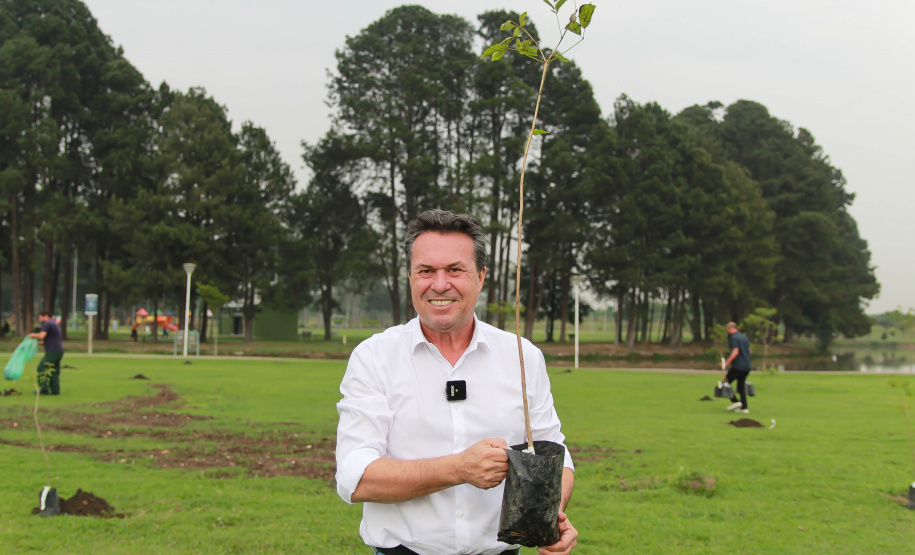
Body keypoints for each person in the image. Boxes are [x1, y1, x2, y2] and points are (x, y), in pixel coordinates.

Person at [335, 209, 577, 555]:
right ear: (410, 278)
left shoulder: (522, 357)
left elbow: (555, 454)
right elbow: (355, 478)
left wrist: (552, 514)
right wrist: (458, 468)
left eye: (454, 270)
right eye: (426, 271)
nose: (439, 284)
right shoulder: (374, 357)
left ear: (480, 277)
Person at [28, 311, 65, 395]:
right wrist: (36, 343)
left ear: (45, 316)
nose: (39, 319)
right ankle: (55, 390)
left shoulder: (48, 324)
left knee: (41, 368)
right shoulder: (54, 324)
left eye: (40, 317)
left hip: (52, 351)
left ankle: (43, 389)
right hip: (59, 350)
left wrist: (33, 335)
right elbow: (48, 340)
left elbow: (41, 336)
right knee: (53, 370)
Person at [724, 321, 752, 413]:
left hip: (738, 366)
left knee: (725, 383)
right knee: (741, 386)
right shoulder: (744, 337)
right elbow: (749, 351)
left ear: (729, 328)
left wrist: (726, 363)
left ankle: (735, 401)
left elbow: (735, 352)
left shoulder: (734, 338)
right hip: (746, 366)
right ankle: (744, 408)